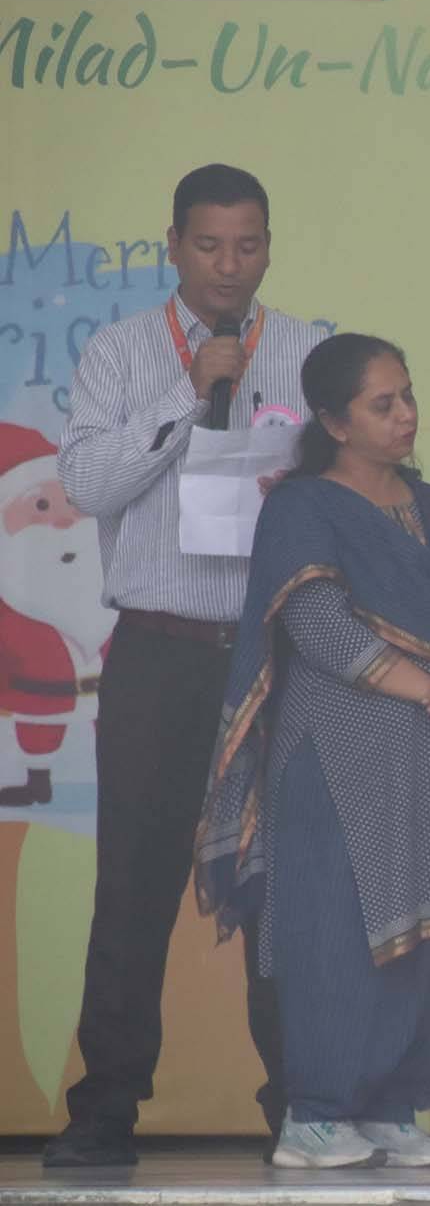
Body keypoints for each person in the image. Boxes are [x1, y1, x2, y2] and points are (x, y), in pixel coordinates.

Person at [46, 164, 321, 1166]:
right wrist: (192, 387)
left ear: (268, 247)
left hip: (273, 655)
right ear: (172, 245)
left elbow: (348, 487)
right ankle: (105, 1108)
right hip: (159, 650)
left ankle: (306, 1102)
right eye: (208, 245)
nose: (228, 265)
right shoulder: (122, 353)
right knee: (134, 882)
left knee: (284, 882)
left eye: (247, 245)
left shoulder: (309, 352)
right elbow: (87, 483)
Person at [192, 333, 430, 1169]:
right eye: (383, 403)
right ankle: (318, 1114)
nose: (406, 415)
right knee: (340, 927)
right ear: (334, 421)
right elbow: (319, 626)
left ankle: (394, 1107)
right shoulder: (303, 507)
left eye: (408, 395)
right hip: (342, 749)